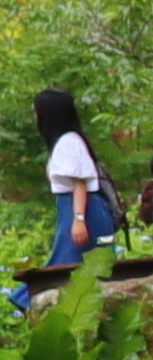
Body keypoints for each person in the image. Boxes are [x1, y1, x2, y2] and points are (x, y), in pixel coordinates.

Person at [46, 88, 116, 283]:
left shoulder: (67, 142)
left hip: (83, 209)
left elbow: (79, 183)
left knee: (68, 266)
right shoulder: (70, 140)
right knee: (79, 265)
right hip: (83, 209)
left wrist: (78, 219)